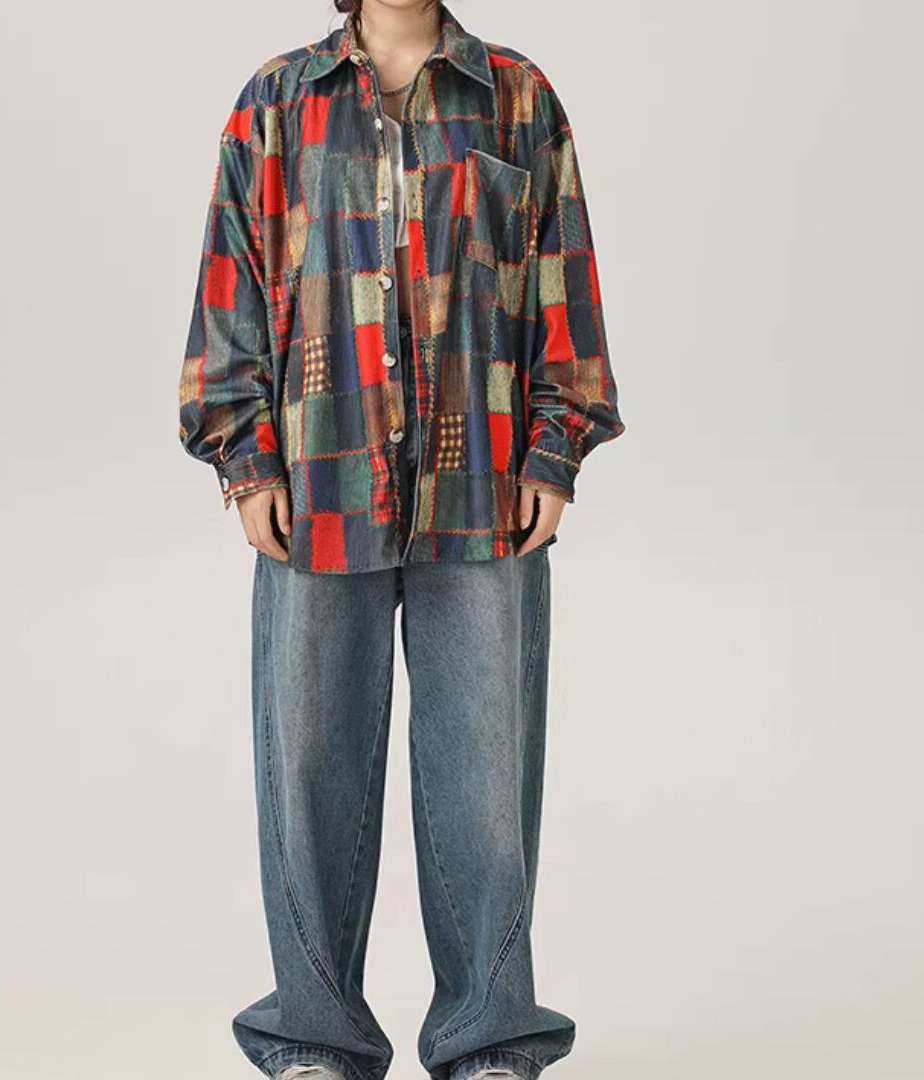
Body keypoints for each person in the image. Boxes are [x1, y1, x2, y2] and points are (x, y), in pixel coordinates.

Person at [177, 2, 625, 1079]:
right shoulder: (275, 102)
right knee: (308, 766)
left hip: (485, 487)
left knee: (485, 773)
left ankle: (489, 1038)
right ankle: (312, 1039)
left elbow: (562, 280)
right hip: (316, 483)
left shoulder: (518, 96)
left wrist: (553, 451)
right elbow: (231, 285)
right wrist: (246, 459)